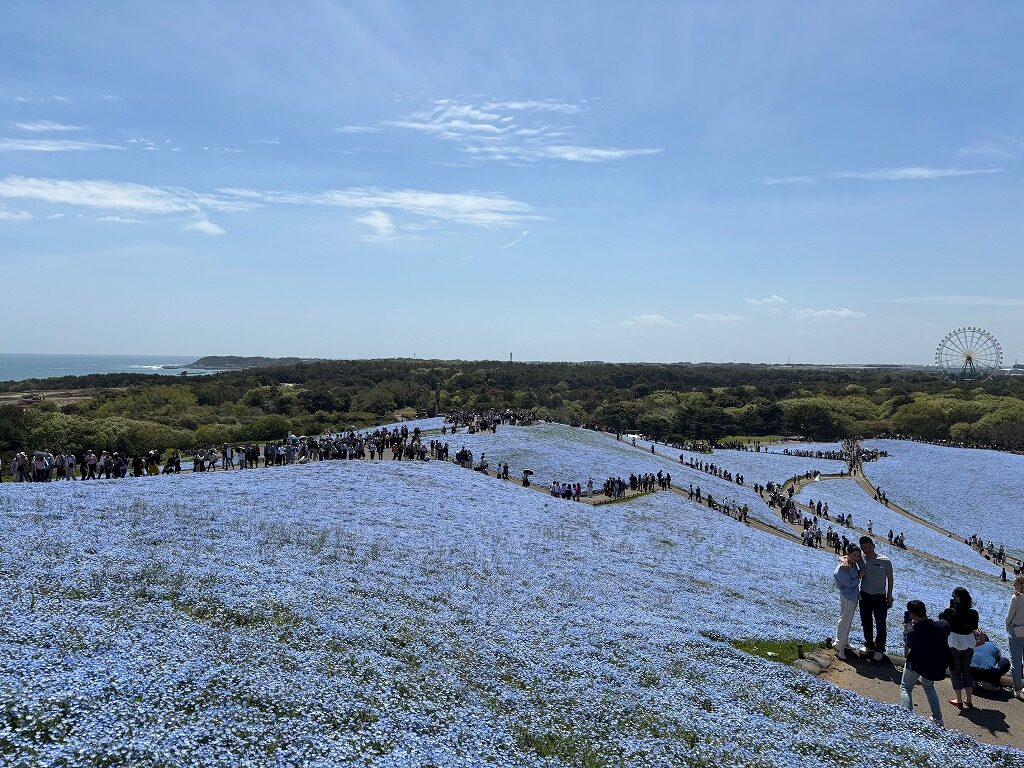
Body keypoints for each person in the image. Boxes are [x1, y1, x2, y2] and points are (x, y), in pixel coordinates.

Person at [901, 599, 950, 728]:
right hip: (933, 666)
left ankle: (907, 719)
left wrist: (908, 627)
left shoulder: (916, 630)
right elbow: (945, 623)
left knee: (906, 687)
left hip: (916, 664)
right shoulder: (941, 627)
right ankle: (938, 719)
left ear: (913, 615)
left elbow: (909, 643)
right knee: (928, 687)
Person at [939, 587, 979, 709]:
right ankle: (969, 700)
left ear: (957, 599)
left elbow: (942, 621)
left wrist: (947, 609)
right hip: (968, 644)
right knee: (966, 671)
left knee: (955, 672)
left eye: (953, 598)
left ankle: (959, 700)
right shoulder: (973, 613)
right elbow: (974, 627)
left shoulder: (950, 612)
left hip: (954, 644)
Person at [858, 536, 894, 660]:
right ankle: (869, 645)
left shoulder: (885, 560)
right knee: (866, 622)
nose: (867, 550)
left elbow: (890, 578)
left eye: (869, 547)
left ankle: (880, 648)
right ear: (861, 549)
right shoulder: (861, 558)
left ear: (873, 546)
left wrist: (890, 595)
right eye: (864, 548)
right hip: (864, 595)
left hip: (879, 597)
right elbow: (847, 558)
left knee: (880, 623)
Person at [832, 545, 863, 659]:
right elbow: (849, 583)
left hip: (852, 596)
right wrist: (859, 577)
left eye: (858, 556)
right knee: (845, 620)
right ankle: (840, 647)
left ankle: (844, 642)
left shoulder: (853, 564)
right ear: (848, 554)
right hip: (848, 596)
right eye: (854, 555)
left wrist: (844, 558)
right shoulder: (842, 568)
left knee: (846, 620)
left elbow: (844, 558)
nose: (856, 558)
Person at [1007, 574, 1024, 700]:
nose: (1014, 585)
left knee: (1016, 661)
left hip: (1017, 631)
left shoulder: (1016, 598)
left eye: (1016, 583)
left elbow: (1009, 617)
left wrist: (1007, 626)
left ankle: (1017, 688)